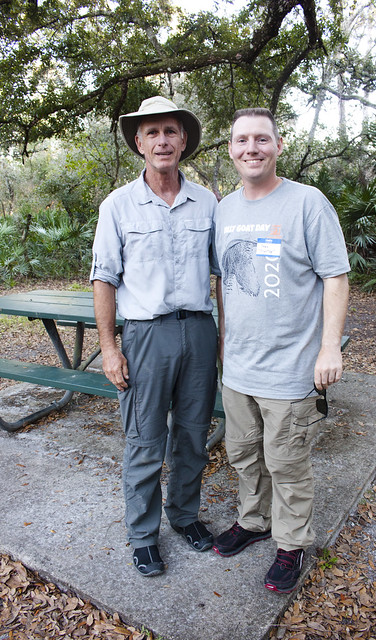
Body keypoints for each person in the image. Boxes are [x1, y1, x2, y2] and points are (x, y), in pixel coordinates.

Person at [213, 108, 350, 594]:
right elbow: (224, 282)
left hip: (290, 368)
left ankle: (290, 544)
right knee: (244, 455)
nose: (251, 148)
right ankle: (253, 522)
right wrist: (226, 342)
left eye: (261, 139)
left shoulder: (308, 203)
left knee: (287, 463)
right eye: (241, 140)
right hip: (239, 368)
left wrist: (329, 347)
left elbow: (335, 275)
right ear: (230, 149)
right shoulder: (223, 209)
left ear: (278, 144)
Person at [90, 96, 219, 577]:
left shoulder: (207, 201)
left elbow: (221, 274)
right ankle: (143, 534)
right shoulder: (118, 205)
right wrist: (109, 347)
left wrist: (221, 338)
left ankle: (184, 516)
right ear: (139, 143)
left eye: (171, 131)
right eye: (152, 133)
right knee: (145, 439)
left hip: (199, 333)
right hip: (146, 336)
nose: (162, 140)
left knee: (192, 435)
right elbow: (104, 278)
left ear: (183, 140)